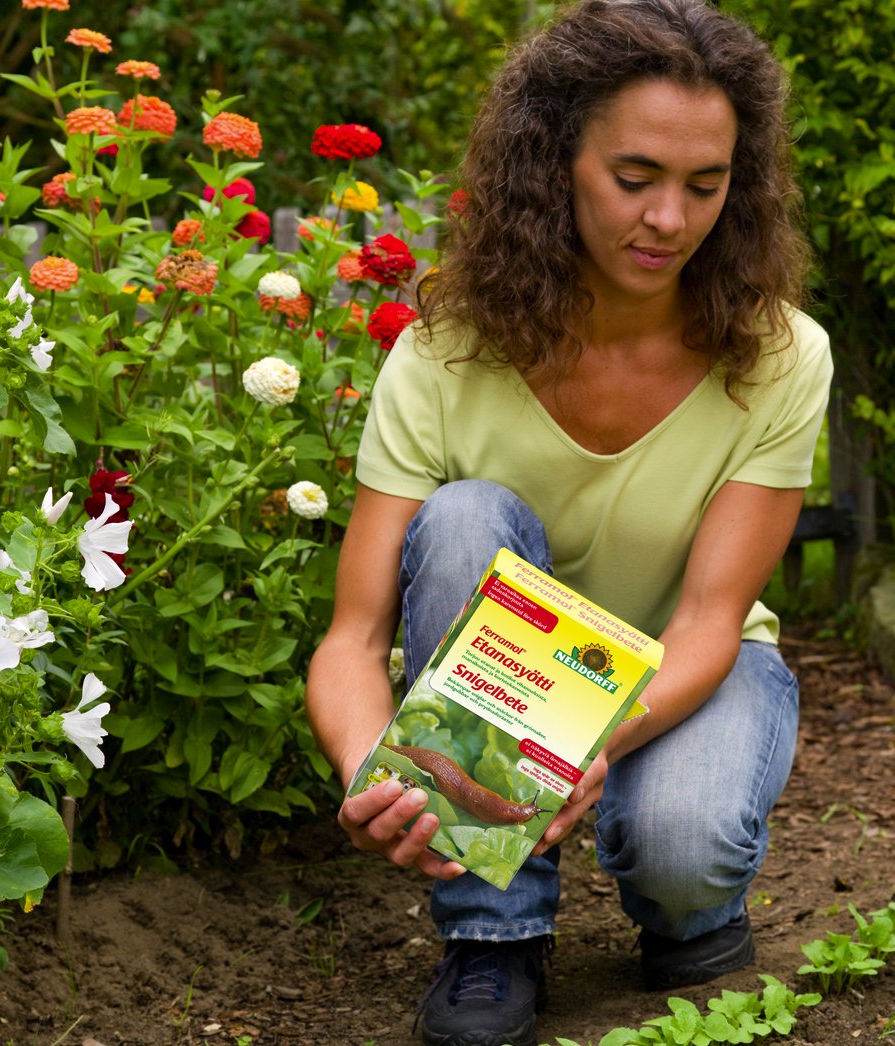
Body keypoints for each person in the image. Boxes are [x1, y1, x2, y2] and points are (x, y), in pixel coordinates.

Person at [303, 1, 831, 1042]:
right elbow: (355, 636)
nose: (669, 220)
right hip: (503, 685)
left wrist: (582, 746)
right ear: (555, 160)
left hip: (682, 667)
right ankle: (490, 939)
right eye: (633, 179)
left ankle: (691, 917)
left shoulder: (779, 355)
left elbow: (706, 623)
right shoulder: (445, 354)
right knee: (464, 517)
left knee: (682, 846)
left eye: (704, 185)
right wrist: (376, 773)